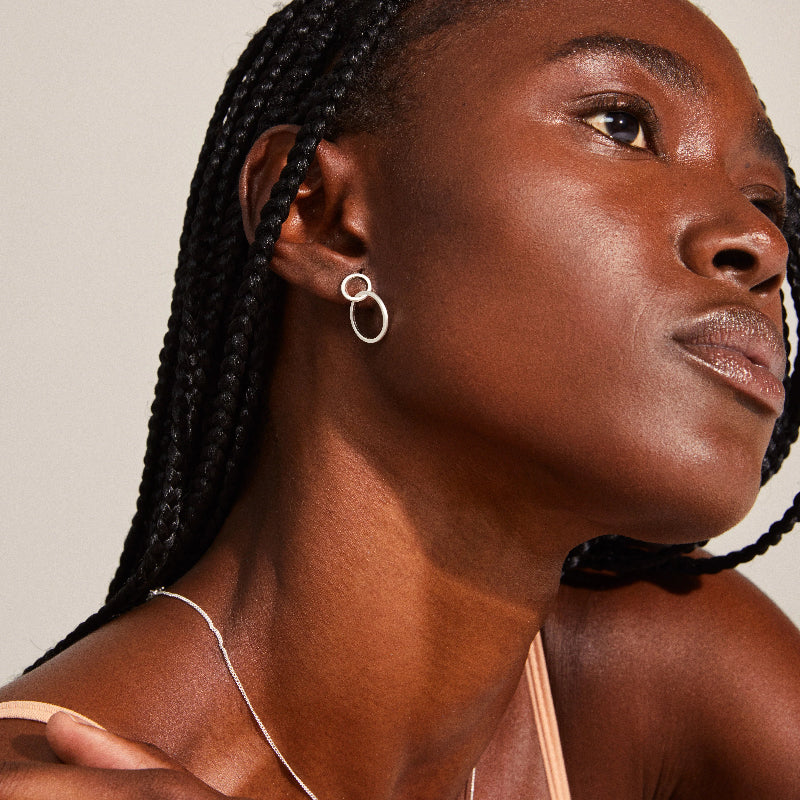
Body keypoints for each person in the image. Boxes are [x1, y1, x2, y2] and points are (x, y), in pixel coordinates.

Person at [1, 0, 799, 797]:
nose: (760, 243)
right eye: (621, 124)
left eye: (767, 201)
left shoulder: (656, 665)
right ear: (323, 217)